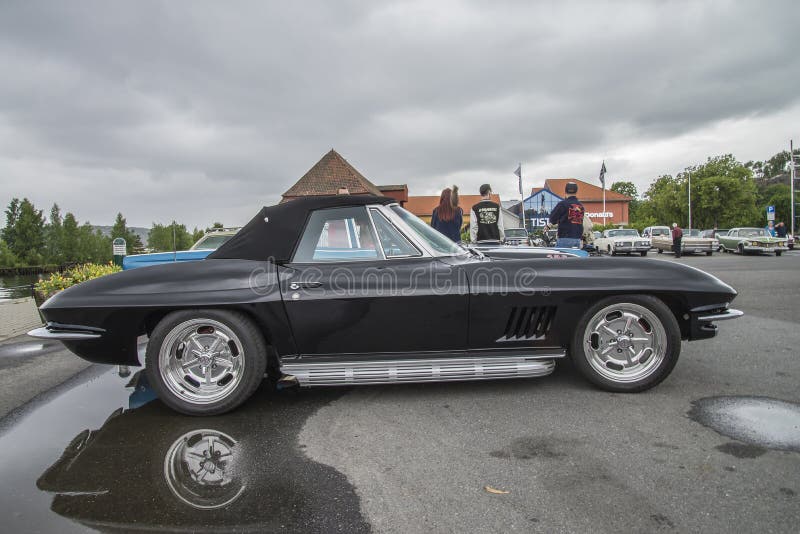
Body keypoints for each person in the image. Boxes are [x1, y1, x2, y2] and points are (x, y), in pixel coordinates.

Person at [548, 181, 585, 248]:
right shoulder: (581, 206)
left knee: (560, 257)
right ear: (576, 192)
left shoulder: (562, 204)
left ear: (565, 191)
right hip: (577, 239)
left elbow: (553, 218)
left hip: (564, 238)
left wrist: (549, 225)